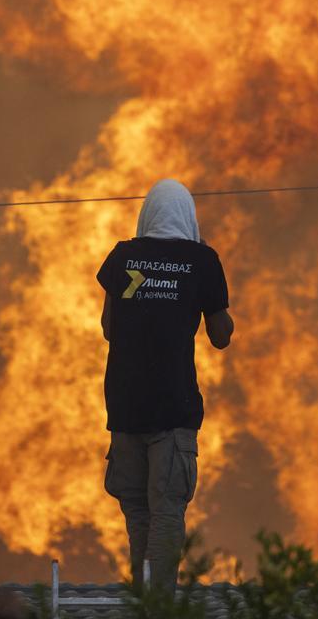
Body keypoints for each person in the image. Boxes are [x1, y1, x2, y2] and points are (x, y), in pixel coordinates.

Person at [95, 178, 234, 594]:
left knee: (137, 509)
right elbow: (221, 335)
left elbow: (107, 328)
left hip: (124, 405)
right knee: (168, 508)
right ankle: (161, 604)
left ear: (147, 216)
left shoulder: (123, 257)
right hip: (173, 408)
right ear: (188, 218)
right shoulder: (201, 260)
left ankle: (144, 596)